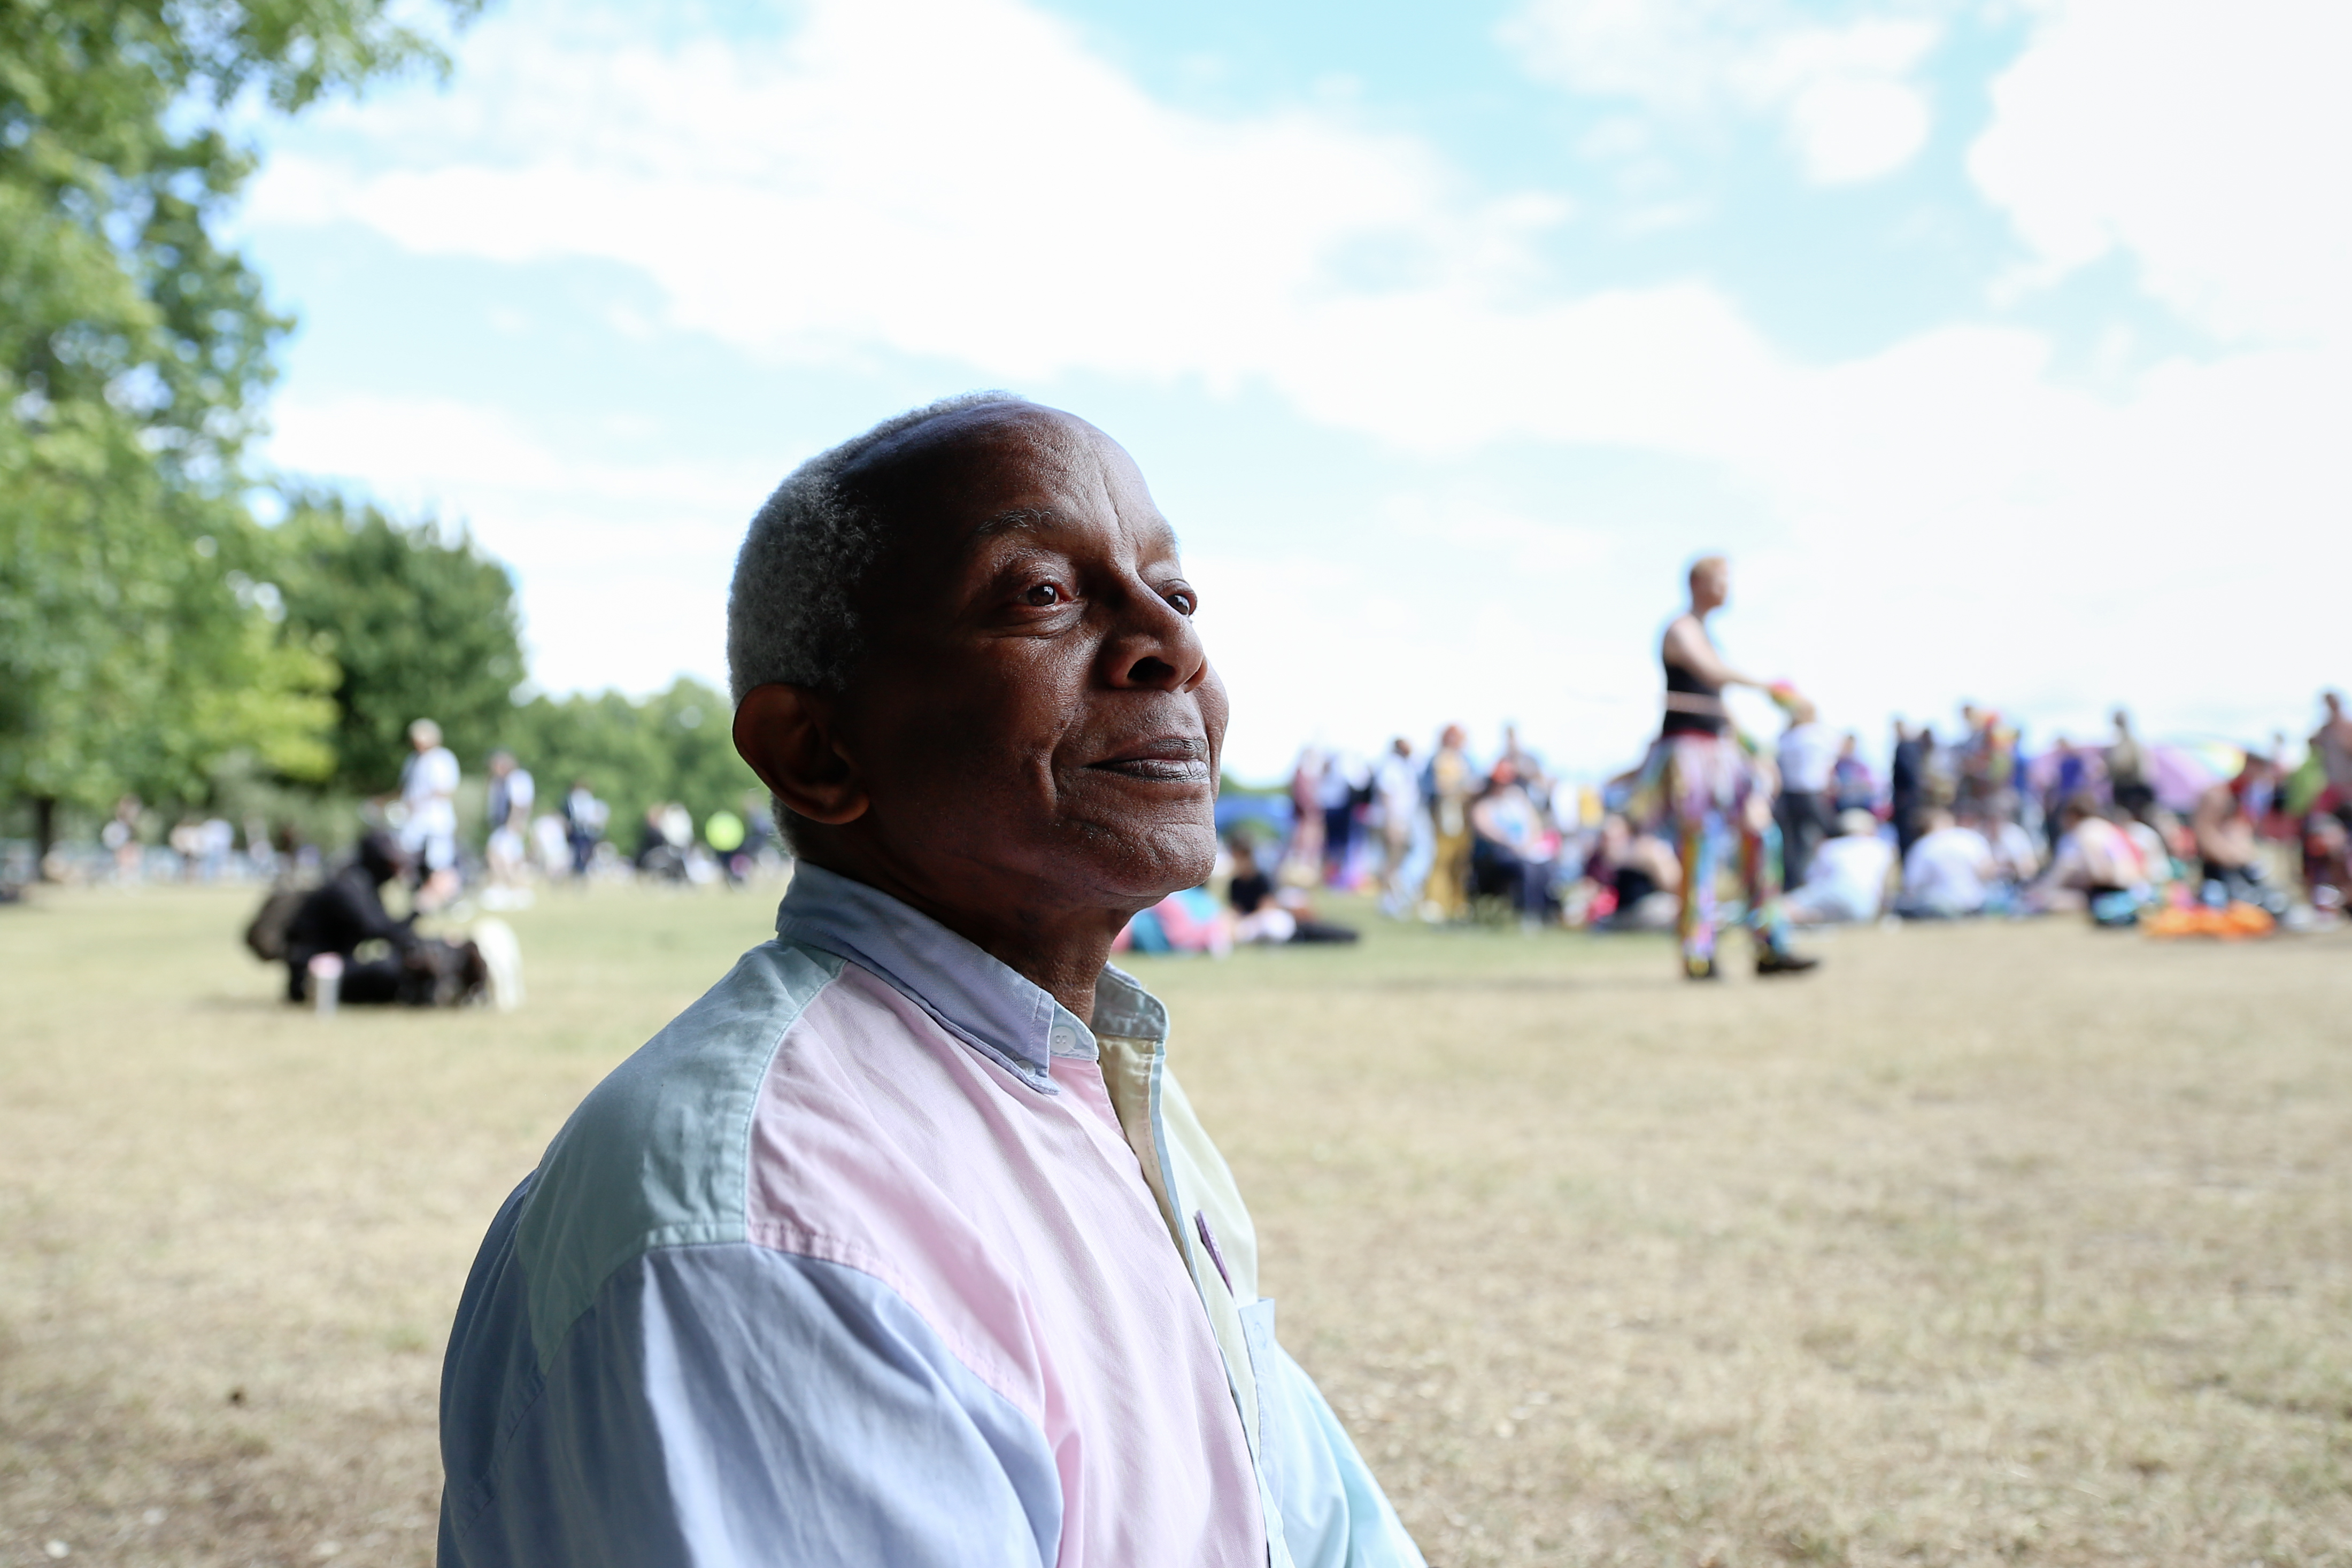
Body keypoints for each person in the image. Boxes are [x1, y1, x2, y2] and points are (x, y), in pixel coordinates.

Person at [437, 395, 1422, 1567]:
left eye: (1178, 590)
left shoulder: (1087, 1073)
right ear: (817, 750)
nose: (1175, 643)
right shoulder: (775, 1215)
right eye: (1042, 592)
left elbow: (1302, 1520)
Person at [1632, 555, 1817, 979]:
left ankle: (1770, 944)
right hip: (1689, 756)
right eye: (1720, 580)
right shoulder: (1679, 629)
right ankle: (1698, 952)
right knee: (1699, 847)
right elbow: (1710, 673)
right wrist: (1767, 686)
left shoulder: (1709, 636)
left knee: (1759, 836)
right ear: (1697, 583)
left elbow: (1721, 707)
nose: (1727, 588)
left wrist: (1756, 749)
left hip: (1723, 754)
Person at [280, 831, 419, 1003]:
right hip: (314, 975)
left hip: (337, 965)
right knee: (386, 970)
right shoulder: (347, 886)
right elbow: (378, 930)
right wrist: (422, 905)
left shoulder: (363, 883)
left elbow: (390, 931)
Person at [1785, 809, 1895, 925]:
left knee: (1788, 904)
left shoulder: (1832, 846)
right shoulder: (1882, 847)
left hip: (1836, 890)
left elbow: (1811, 879)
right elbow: (1888, 886)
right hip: (1866, 908)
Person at [1773, 696, 1837, 892]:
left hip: (1787, 796)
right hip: (1811, 794)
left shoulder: (1785, 736)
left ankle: (1791, 886)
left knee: (1791, 845)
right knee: (1832, 835)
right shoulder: (1818, 734)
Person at [398, 719, 462, 909]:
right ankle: (421, 896)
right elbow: (405, 788)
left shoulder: (442, 758)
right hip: (414, 821)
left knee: (439, 863)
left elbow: (445, 789)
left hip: (436, 820)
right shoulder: (413, 760)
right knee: (407, 857)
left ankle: (449, 899)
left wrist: (420, 801)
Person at [1897, 807, 1996, 918]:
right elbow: (1988, 871)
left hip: (1939, 907)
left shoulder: (1923, 846)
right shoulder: (1970, 838)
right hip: (1975, 905)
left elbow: (1911, 885)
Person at [1420, 724, 1474, 922]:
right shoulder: (1438, 760)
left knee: (1460, 862)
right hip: (1444, 815)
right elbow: (1433, 790)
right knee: (1441, 860)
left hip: (1462, 817)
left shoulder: (1464, 761)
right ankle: (1435, 902)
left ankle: (1457, 903)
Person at [1372, 736, 1422, 916]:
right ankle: (1389, 901)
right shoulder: (1391, 767)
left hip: (1402, 820)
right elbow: (1388, 795)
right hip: (1394, 820)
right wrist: (1393, 822)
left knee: (1397, 861)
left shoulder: (1404, 767)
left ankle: (1393, 899)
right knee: (1392, 861)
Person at [2107, 709, 2154, 821]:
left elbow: (2123, 765)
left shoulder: (2128, 742)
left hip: (2131, 789)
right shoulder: (2126, 741)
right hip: (2128, 789)